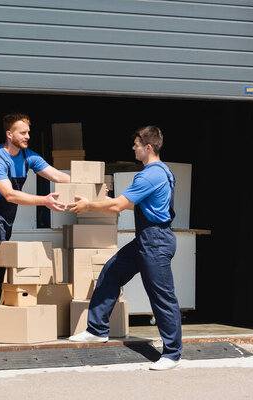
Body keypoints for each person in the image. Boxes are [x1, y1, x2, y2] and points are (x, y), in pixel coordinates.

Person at [67, 126, 183, 371]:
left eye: (137, 144)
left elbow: (119, 206)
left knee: (162, 297)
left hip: (155, 241)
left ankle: (172, 354)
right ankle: (97, 330)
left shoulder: (149, 174)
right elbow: (134, 204)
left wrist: (90, 205)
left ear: (148, 148)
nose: (133, 147)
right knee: (111, 272)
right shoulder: (164, 172)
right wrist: (106, 201)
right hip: (148, 239)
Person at [0, 113, 70, 305]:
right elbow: (10, 195)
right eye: (22, 133)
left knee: (1, 265)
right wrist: (44, 201)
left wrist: (94, 183)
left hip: (7, 216)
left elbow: (56, 175)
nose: (27, 136)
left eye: (28, 132)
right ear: (9, 134)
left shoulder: (28, 156)